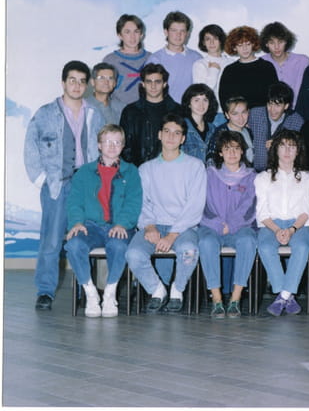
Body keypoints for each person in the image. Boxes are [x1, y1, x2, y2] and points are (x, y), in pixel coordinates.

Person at [24, 61, 105, 310]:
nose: (77, 86)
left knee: (83, 237)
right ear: (63, 83)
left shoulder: (94, 114)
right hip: (57, 186)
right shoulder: (46, 113)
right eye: (72, 80)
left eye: (82, 81)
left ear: (87, 85)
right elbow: (30, 147)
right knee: (51, 241)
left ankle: (85, 289)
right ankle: (45, 291)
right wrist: (43, 181)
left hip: (86, 186)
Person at [125, 113, 206, 314]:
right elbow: (142, 203)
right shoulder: (146, 169)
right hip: (154, 224)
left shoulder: (195, 166)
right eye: (167, 131)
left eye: (177, 133)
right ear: (159, 135)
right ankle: (157, 290)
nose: (171, 137)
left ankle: (177, 290)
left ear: (183, 139)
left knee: (189, 250)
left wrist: (172, 234)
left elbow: (194, 206)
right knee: (133, 254)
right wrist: (149, 226)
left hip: (183, 227)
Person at [64, 124, 142, 317]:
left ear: (123, 146)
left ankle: (110, 293)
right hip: (91, 226)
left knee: (118, 245)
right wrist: (77, 222)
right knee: (73, 245)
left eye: (117, 142)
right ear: (99, 145)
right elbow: (74, 201)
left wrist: (122, 223)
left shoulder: (131, 172)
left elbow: (133, 203)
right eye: (107, 142)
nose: (112, 146)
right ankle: (90, 293)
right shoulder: (84, 172)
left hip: (118, 226)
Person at [197, 130, 258, 319]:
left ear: (242, 151)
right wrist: (218, 224)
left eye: (236, 148)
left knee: (248, 241)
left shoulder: (252, 177)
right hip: (211, 226)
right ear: (220, 153)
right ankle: (216, 299)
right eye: (227, 149)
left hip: (240, 228)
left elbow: (250, 206)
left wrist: (231, 225)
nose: (232, 153)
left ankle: (235, 298)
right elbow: (202, 203)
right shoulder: (209, 174)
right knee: (206, 243)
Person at [255, 130, 309, 316]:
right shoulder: (263, 177)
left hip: (298, 224)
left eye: (292, 146)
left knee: (303, 246)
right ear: (275, 149)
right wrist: (277, 230)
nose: (287, 151)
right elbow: (262, 212)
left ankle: (284, 295)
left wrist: (291, 229)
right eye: (282, 146)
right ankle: (288, 296)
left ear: (298, 150)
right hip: (271, 224)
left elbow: (307, 210)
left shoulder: (307, 177)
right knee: (265, 247)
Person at [119, 63, 181, 166]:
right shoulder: (130, 112)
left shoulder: (177, 111)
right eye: (149, 82)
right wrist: (134, 169)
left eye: (157, 82)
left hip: (171, 168)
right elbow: (124, 145)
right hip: (138, 169)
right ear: (143, 84)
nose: (153, 86)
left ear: (164, 84)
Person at [218, 26, 278, 111]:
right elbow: (224, 99)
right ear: (234, 47)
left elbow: (275, 96)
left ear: (253, 44)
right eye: (240, 45)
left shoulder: (267, 67)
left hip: (263, 115)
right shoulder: (229, 71)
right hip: (238, 116)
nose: (244, 48)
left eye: (248, 44)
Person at [147, 11, 202, 102]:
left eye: (182, 31)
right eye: (174, 30)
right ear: (166, 32)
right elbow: (149, 93)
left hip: (190, 109)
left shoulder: (197, 58)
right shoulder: (155, 60)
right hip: (165, 109)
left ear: (187, 33)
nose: (178, 35)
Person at [249, 82, 305, 172]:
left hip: (281, 173)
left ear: (286, 106)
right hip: (254, 171)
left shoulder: (296, 121)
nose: (272, 109)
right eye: (270, 104)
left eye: (278, 105)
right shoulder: (254, 114)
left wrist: (277, 144)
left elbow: (298, 150)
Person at [259, 21, 309, 108]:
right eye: (272, 43)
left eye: (280, 42)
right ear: (266, 44)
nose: (276, 47)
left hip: (299, 111)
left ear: (286, 41)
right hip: (271, 112)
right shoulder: (261, 63)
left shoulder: (302, 61)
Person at [104, 14, 151, 106]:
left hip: (147, 111)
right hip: (119, 112)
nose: (132, 36)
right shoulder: (110, 60)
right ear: (120, 35)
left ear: (141, 34)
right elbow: (103, 93)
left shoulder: (152, 58)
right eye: (127, 32)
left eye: (136, 31)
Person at [206, 96, 253, 166]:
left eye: (243, 112)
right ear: (227, 115)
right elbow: (211, 160)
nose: (240, 117)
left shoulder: (249, 131)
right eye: (235, 114)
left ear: (248, 112)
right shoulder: (220, 133)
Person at [180, 83, 219, 163]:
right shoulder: (181, 127)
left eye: (205, 100)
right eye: (196, 100)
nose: (201, 104)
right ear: (189, 104)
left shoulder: (213, 129)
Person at [192, 24, 234, 94]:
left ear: (221, 41)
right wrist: (213, 71)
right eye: (208, 39)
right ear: (203, 42)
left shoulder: (231, 63)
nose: (212, 42)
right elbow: (202, 93)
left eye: (215, 38)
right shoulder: (199, 64)